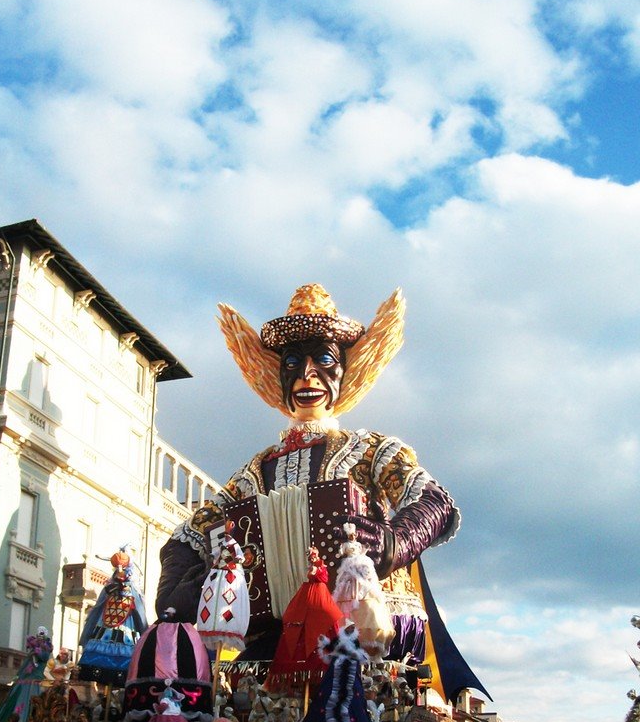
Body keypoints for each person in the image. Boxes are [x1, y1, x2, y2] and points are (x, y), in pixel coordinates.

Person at [156, 284, 459, 665]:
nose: (308, 376)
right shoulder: (254, 473)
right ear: (279, 377)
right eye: (293, 364)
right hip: (279, 632)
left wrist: (392, 542)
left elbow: (435, 502)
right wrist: (182, 590)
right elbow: (188, 537)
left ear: (345, 372)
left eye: (324, 361)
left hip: (363, 624)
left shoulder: (371, 451)